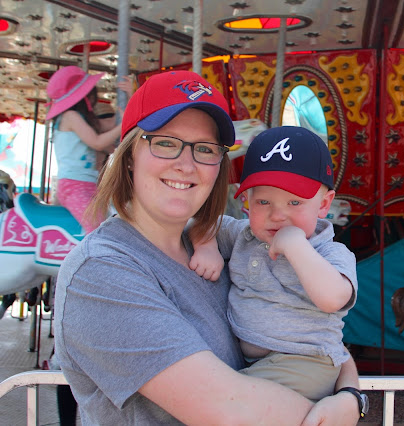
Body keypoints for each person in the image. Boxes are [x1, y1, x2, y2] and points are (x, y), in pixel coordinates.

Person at [53, 70, 361, 425]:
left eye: (205, 149)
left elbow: (317, 331)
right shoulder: (102, 274)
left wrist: (351, 394)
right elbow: (235, 411)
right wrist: (337, 412)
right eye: (165, 142)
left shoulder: (227, 247)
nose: (186, 165)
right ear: (127, 157)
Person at [190, 126, 359, 402]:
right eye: (264, 201)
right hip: (254, 363)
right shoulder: (245, 235)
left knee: (219, 402)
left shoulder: (330, 252)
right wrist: (206, 245)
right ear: (247, 202)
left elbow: (333, 299)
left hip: (305, 364)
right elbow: (201, 222)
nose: (278, 215)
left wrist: (296, 247)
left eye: (294, 202)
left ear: (324, 204)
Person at [46, 66, 123, 233]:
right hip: (74, 185)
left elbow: (111, 124)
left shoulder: (81, 119)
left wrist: (128, 98)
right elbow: (97, 142)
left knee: (114, 219)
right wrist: (122, 125)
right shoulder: (70, 117)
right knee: (99, 230)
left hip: (88, 183)